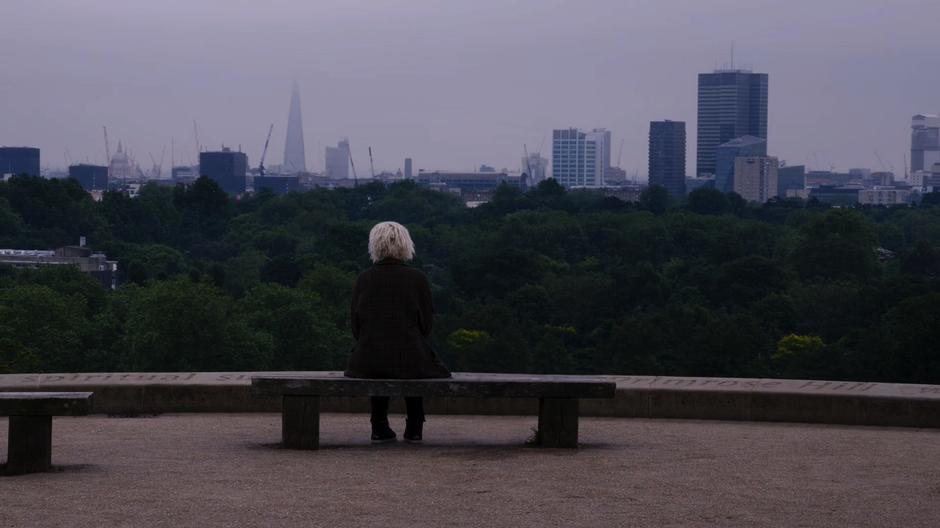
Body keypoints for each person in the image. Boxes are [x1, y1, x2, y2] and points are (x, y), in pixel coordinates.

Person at [345, 221, 451, 444]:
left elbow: (356, 326)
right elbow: (426, 326)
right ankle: (414, 425)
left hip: (369, 358)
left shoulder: (364, 279)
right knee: (414, 359)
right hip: (411, 357)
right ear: (406, 245)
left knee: (377, 358)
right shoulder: (417, 279)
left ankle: (379, 424)